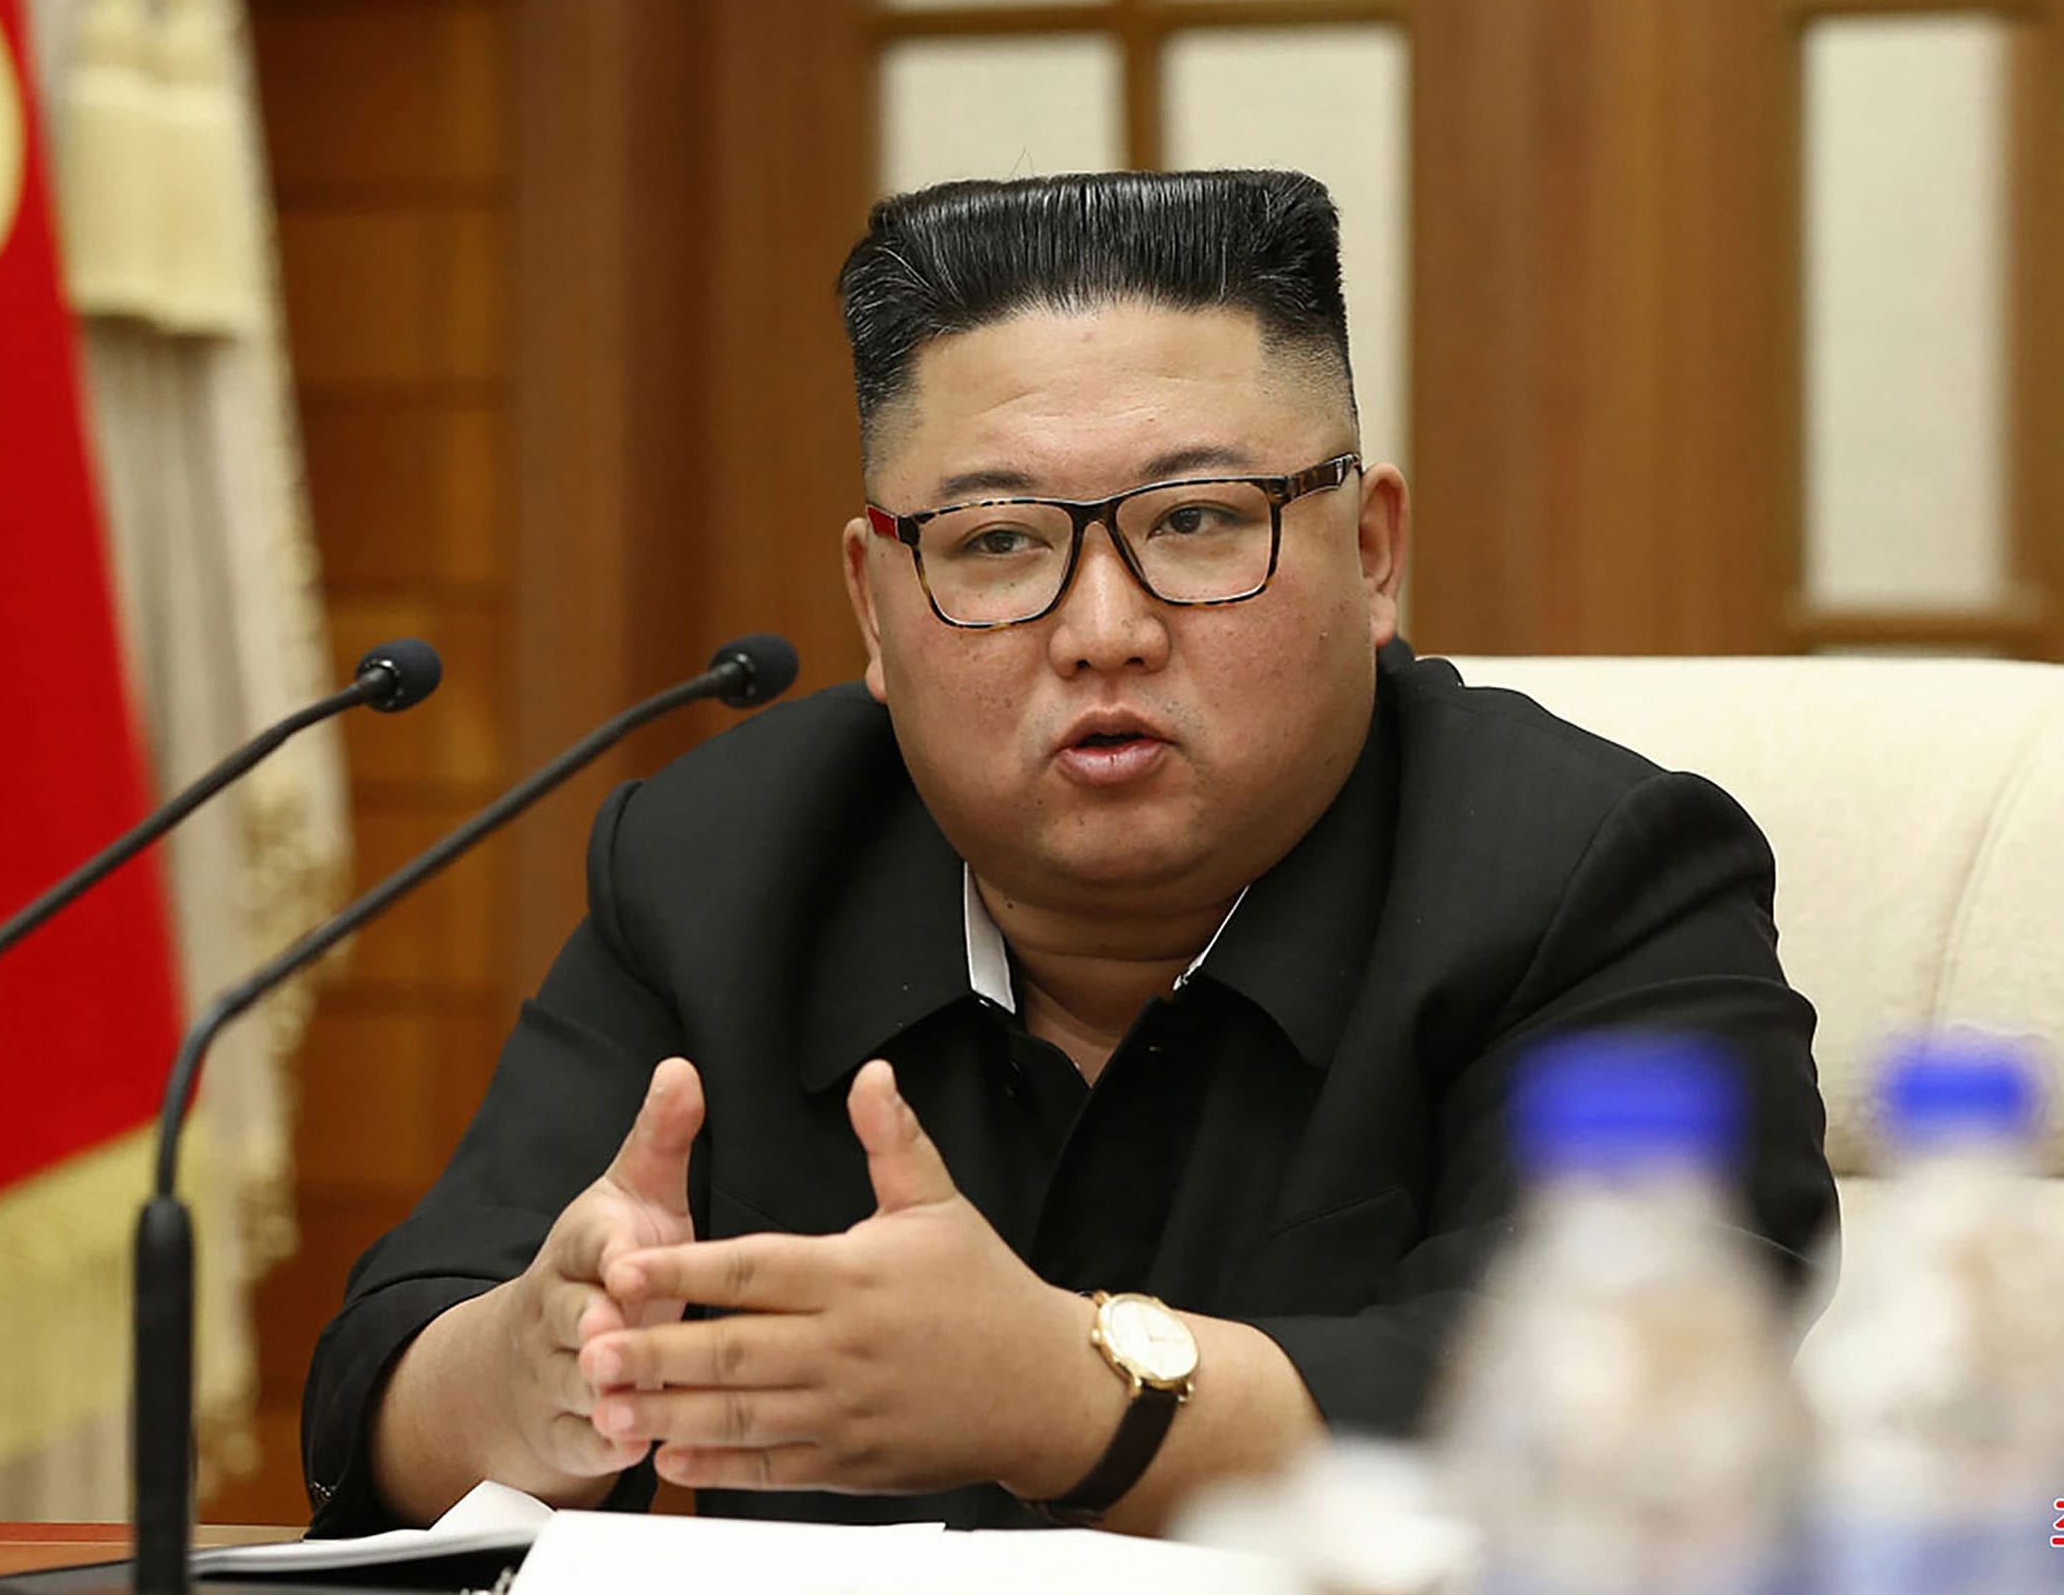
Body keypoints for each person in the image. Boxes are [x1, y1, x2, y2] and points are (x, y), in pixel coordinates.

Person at [301, 169, 1837, 1535]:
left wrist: (1073, 1393)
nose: (1105, 633)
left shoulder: (1599, 876)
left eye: (1199, 523)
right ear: (873, 606)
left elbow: (1629, 1414)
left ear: (1371, 554)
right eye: (996, 543)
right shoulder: (724, 862)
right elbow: (390, 1378)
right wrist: (537, 1371)